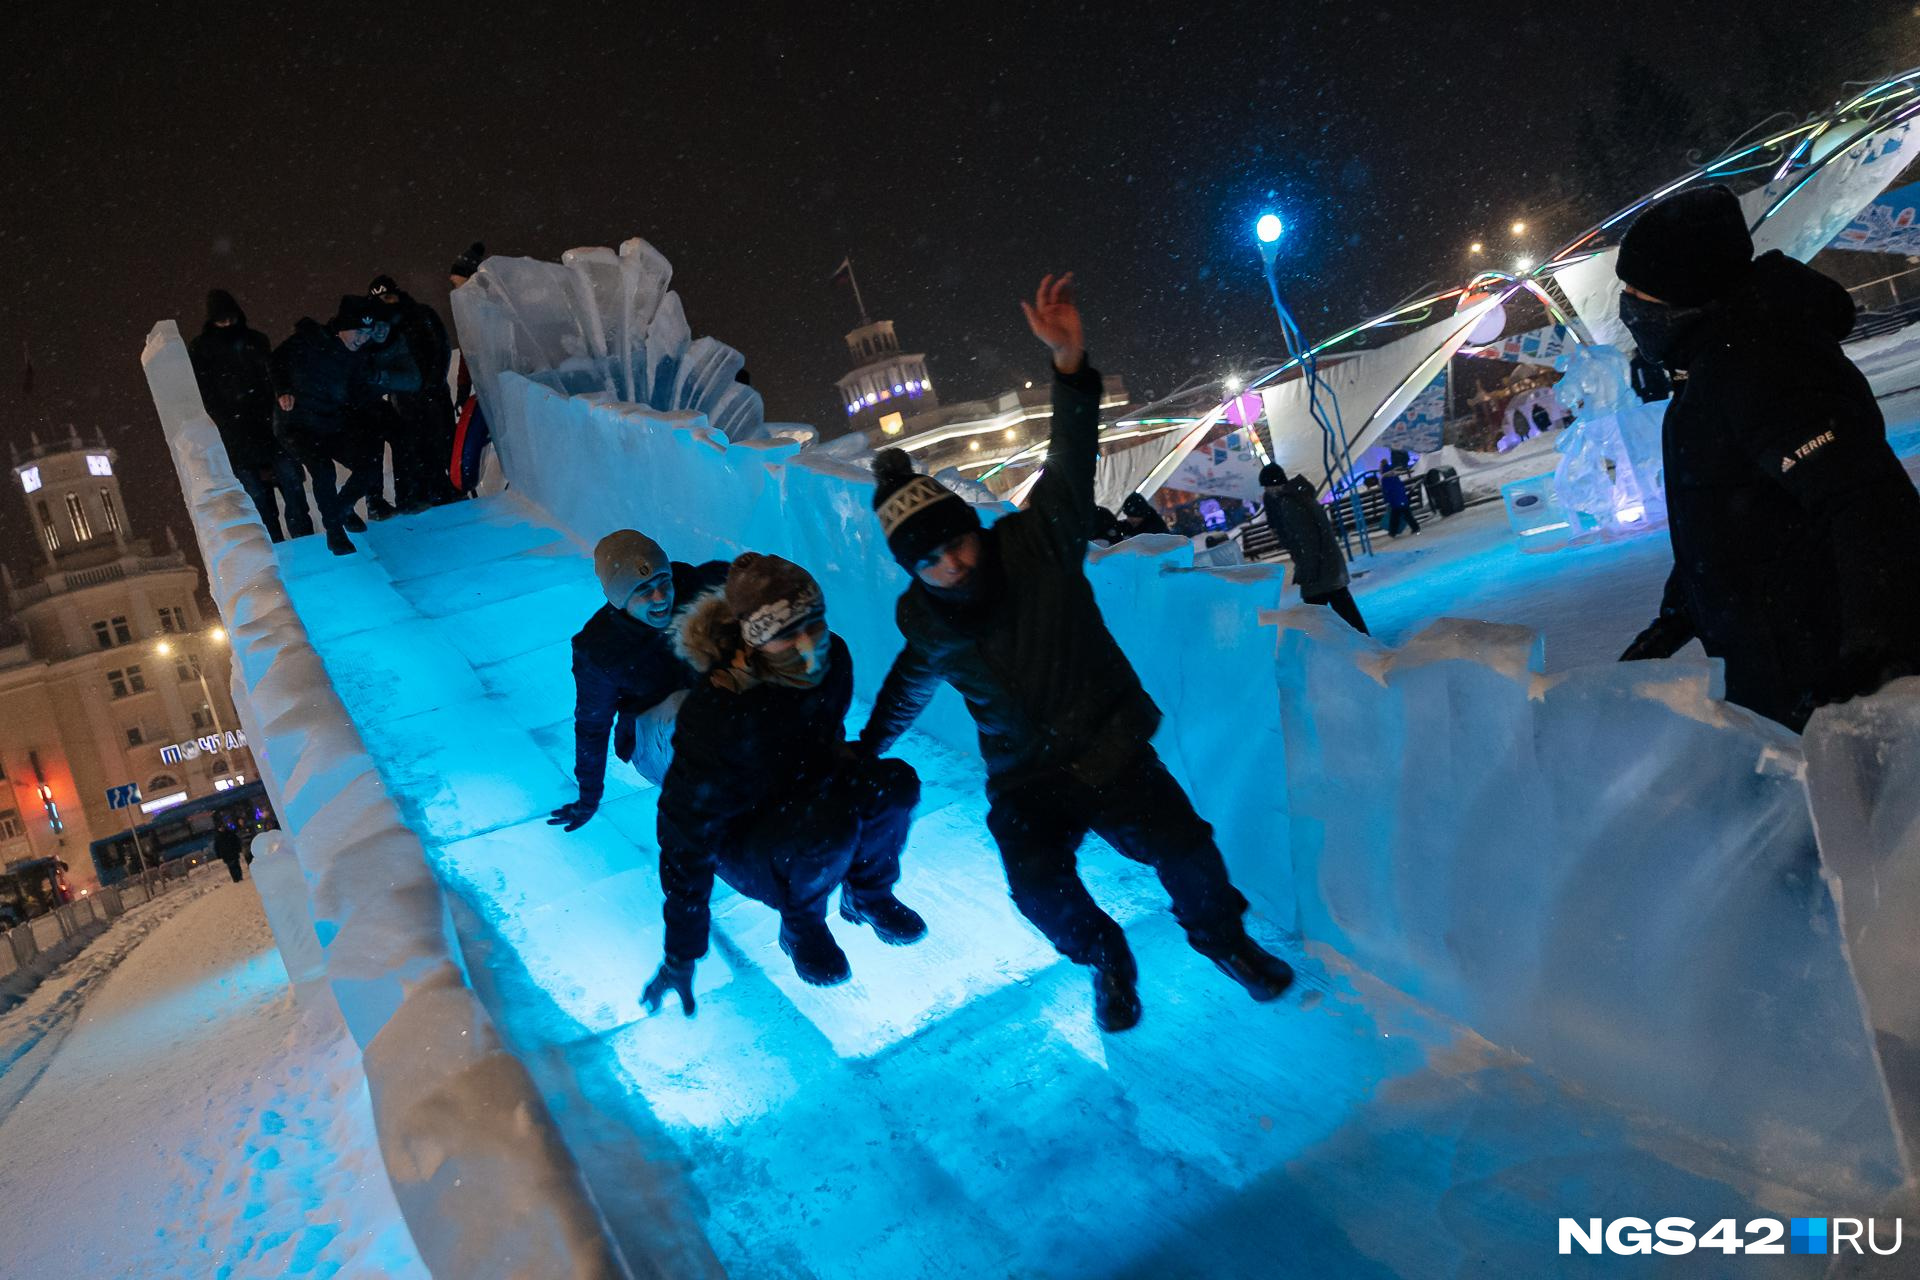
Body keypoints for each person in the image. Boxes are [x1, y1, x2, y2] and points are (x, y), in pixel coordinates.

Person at [858, 274, 1293, 1035]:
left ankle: (1225, 942)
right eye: (929, 561)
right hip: (1026, 779)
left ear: (972, 528)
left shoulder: (1037, 545)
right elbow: (911, 680)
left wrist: (1068, 365)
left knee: (1186, 848)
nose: (952, 565)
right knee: (1037, 890)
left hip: (1108, 747)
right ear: (912, 571)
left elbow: (1069, 459)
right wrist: (868, 746)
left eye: (956, 542)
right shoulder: (924, 618)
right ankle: (1104, 956)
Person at [1615, 184, 1920, 730]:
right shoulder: (1713, 364)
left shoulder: (1764, 363)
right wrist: (1683, 609)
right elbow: (1727, 511)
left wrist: (1873, 648)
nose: (1629, 304)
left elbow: (1865, 501)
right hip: (1773, 655)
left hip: (1821, 674)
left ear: (1685, 288)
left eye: (1639, 290)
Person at [643, 553, 927, 1008]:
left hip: (808, 793)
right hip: (746, 838)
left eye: (813, 624)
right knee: (828, 829)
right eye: (785, 635)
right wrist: (681, 953)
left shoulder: (835, 659)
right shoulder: (718, 711)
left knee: (894, 784)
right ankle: (801, 926)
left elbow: (827, 735)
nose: (808, 644)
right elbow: (684, 831)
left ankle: (867, 894)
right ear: (754, 643)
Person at [548, 531, 730, 832]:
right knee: (686, 711)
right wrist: (589, 798)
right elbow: (592, 728)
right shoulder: (599, 650)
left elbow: (740, 582)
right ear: (620, 599)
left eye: (663, 583)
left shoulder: (691, 586)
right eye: (644, 590)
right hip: (656, 739)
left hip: (716, 710)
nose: (660, 598)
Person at [270, 296, 398, 555]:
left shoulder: (359, 355)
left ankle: (342, 509)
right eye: (357, 332)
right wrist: (283, 389)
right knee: (323, 470)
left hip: (330, 423)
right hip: (297, 425)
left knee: (368, 466)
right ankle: (335, 532)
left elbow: (358, 390)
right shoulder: (311, 341)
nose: (362, 339)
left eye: (367, 333)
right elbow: (276, 360)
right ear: (342, 327)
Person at [188, 290, 312, 541]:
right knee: (259, 498)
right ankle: (278, 544)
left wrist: (280, 396)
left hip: (267, 425)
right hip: (237, 432)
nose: (226, 324)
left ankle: (304, 540)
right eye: (221, 320)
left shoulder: (255, 340)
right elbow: (205, 391)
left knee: (290, 487)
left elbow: (274, 373)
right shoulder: (203, 349)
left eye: (229, 318)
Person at [371, 274, 458, 511]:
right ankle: (420, 492)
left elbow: (440, 346)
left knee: (441, 439)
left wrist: (434, 381)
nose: (386, 303)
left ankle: (444, 487)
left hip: (432, 390)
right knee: (412, 444)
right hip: (404, 395)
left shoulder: (421, 314)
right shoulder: (380, 327)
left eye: (388, 297)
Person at [1259, 463, 1368, 634]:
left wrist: (1307, 571)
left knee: (1314, 617)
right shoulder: (1299, 496)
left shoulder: (1290, 503)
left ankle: (1329, 647)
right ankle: (1362, 641)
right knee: (1342, 608)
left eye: (1267, 486)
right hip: (1327, 565)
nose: (1266, 491)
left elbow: (1306, 540)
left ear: (1274, 485)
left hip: (1319, 570)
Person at [1379, 468, 1420, 537]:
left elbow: (1387, 492)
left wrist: (1386, 501)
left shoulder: (1385, 480)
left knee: (1395, 517)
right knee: (1406, 515)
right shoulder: (1396, 478)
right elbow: (1401, 488)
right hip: (1402, 500)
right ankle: (1415, 528)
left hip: (1395, 502)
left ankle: (1393, 532)